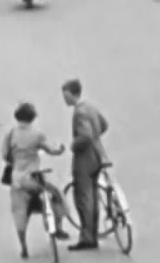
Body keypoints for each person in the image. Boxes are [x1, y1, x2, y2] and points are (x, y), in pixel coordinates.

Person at [2, 102, 69, 258]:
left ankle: (24, 248)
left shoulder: (10, 134)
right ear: (32, 118)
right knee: (56, 195)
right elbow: (51, 150)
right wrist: (60, 149)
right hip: (34, 179)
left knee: (19, 214)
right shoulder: (37, 135)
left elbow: (5, 155)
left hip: (18, 181)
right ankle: (57, 227)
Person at [61, 79, 108, 251]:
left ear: (73, 94)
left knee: (83, 198)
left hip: (84, 159)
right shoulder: (90, 107)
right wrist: (96, 136)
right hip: (97, 156)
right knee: (94, 197)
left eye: (66, 96)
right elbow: (104, 125)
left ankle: (87, 237)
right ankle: (93, 234)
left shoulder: (79, 112)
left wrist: (74, 144)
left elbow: (85, 136)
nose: (64, 100)